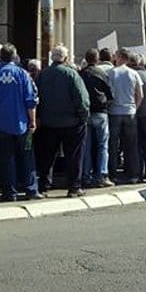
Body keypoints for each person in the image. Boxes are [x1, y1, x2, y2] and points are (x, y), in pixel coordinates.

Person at [0, 43, 40, 201]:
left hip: (0, 124)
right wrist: (33, 121)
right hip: (21, 122)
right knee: (27, 156)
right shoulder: (22, 74)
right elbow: (30, 100)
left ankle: (10, 193)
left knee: (6, 159)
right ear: (14, 56)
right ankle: (31, 190)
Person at [35, 45, 90, 197]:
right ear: (65, 58)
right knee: (74, 155)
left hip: (48, 122)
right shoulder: (71, 74)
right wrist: (83, 117)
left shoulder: (42, 75)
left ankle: (44, 185)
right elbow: (82, 99)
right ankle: (74, 187)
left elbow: (36, 97)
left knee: (48, 155)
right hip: (71, 122)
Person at [107, 48, 143, 185]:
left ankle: (113, 174)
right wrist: (135, 107)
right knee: (132, 145)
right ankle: (133, 174)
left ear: (119, 57)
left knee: (113, 145)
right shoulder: (134, 74)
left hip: (114, 111)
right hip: (130, 111)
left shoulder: (110, 73)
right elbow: (140, 95)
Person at [79, 48, 114, 188]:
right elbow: (110, 93)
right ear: (97, 59)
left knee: (86, 146)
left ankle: (85, 175)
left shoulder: (80, 74)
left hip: (86, 112)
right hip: (101, 112)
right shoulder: (102, 73)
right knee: (102, 145)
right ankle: (101, 175)